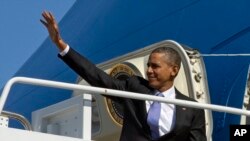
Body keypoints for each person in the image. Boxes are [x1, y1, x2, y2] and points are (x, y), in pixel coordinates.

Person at [41, 11, 207, 141]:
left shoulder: (192, 108)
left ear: (174, 70)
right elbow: (97, 77)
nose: (149, 70)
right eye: (148, 65)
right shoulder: (134, 87)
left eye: (155, 66)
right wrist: (60, 44)